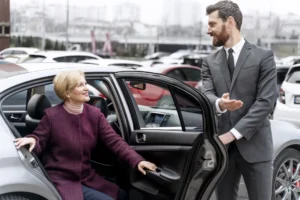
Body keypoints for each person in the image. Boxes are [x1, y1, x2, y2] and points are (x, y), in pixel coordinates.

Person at [14, 69, 157, 200]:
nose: (86, 88)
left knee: (123, 195)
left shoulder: (95, 114)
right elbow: (39, 138)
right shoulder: (52, 116)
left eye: (85, 83)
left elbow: (115, 142)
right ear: (67, 93)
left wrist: (137, 160)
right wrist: (32, 139)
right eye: (80, 85)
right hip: (62, 180)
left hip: (87, 177)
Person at [201, 1, 277, 200]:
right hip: (223, 151)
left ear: (230, 22)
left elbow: (265, 102)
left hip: (256, 147)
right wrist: (219, 103)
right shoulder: (208, 62)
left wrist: (233, 134)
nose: (208, 30)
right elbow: (207, 94)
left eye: (212, 24)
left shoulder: (264, 57)